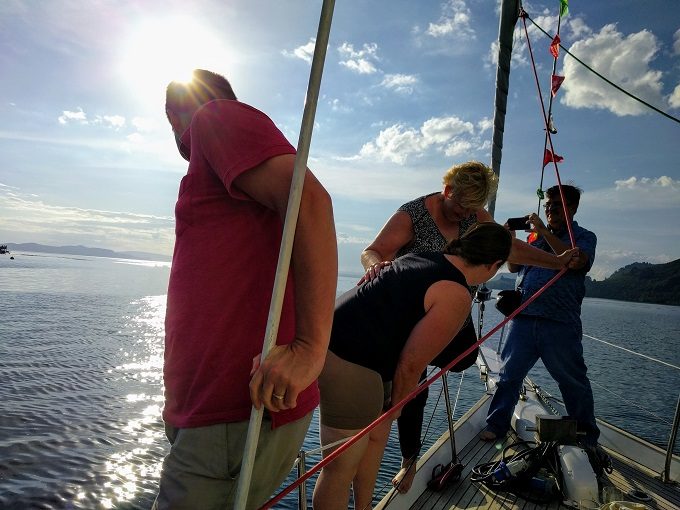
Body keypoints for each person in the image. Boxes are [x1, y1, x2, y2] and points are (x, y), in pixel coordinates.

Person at [154, 69, 337, 509]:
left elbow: (308, 201)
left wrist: (310, 349)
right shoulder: (214, 158)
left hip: (232, 412)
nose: (173, 126)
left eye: (171, 113)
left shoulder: (215, 117)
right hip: (217, 415)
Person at [360, 161, 581, 493]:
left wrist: (557, 260)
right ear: (447, 190)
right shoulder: (413, 214)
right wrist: (379, 266)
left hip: (452, 313)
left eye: (473, 209)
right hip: (411, 318)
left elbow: (504, 246)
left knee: (464, 357)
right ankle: (408, 461)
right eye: (461, 205)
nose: (466, 214)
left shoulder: (475, 216)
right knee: (413, 383)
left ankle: (403, 381)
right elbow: (372, 251)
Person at [313, 222, 513, 510]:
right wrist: (398, 407)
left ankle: (364, 507)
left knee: (376, 437)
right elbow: (411, 364)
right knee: (339, 468)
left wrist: (391, 409)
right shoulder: (456, 293)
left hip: (337, 342)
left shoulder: (424, 257)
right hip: (350, 361)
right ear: (494, 265)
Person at [481, 184, 600, 449]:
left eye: (556, 205)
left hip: (559, 322)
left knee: (572, 381)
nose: (549, 210)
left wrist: (544, 232)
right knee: (509, 375)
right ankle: (496, 424)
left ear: (572, 208)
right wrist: (510, 240)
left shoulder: (583, 237)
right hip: (524, 319)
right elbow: (514, 266)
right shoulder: (534, 239)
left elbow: (574, 262)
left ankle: (586, 436)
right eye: (547, 205)